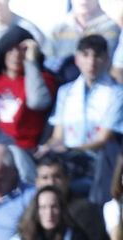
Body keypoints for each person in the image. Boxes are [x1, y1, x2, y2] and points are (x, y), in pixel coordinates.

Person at [42, 34, 121, 164]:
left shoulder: (117, 93)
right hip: (69, 162)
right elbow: (58, 136)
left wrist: (70, 150)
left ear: (106, 58)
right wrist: (49, 147)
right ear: (77, 59)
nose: (91, 62)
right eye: (85, 55)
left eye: (97, 55)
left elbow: (103, 140)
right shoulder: (65, 92)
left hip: (102, 163)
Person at [0, 29, 55, 153]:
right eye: (11, 49)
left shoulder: (43, 80)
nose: (16, 54)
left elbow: (37, 102)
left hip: (25, 149)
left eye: (23, 49)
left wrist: (31, 62)